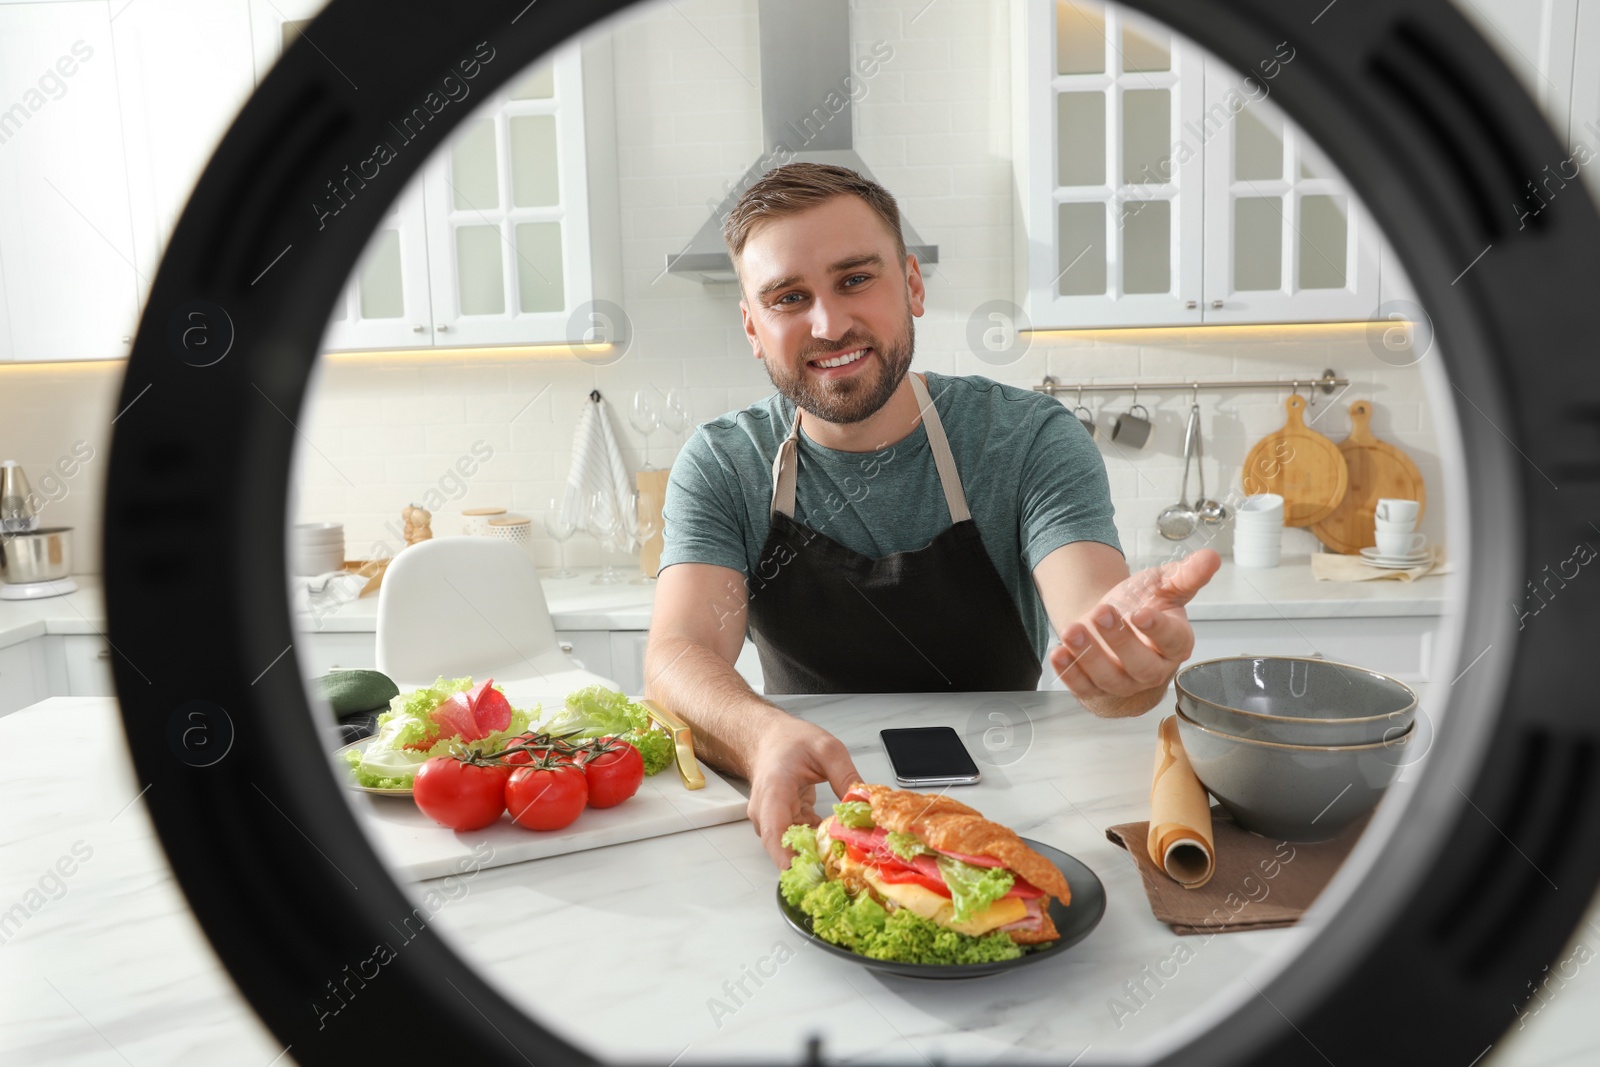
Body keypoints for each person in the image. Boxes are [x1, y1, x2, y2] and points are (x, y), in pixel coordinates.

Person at [643, 163, 1220, 868]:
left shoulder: (1027, 439)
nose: (829, 323)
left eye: (856, 279)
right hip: (810, 804)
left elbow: (1094, 622)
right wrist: (764, 738)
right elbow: (675, 658)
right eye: (789, 298)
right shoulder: (724, 462)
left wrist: (1128, 663)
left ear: (912, 284)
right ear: (753, 326)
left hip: (1012, 816)